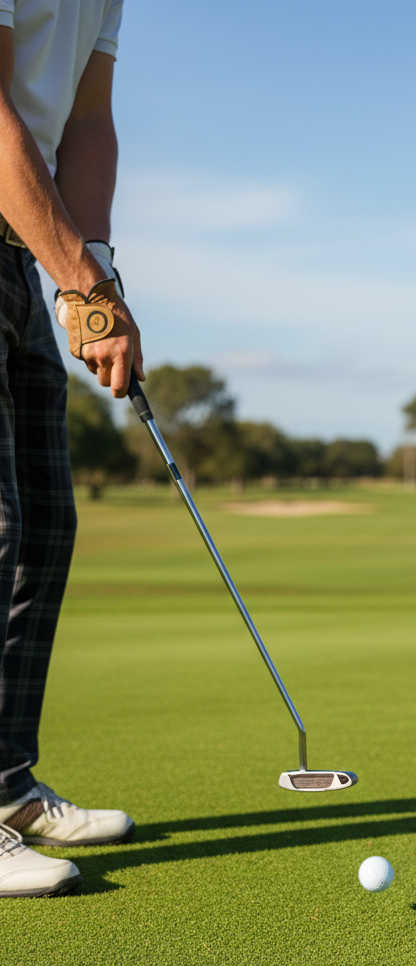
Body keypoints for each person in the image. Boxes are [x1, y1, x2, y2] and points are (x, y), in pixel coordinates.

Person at [0, 0, 143, 897]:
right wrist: (82, 281)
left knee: (45, 526)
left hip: (18, 251)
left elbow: (89, 122)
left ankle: (6, 786)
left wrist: (90, 272)